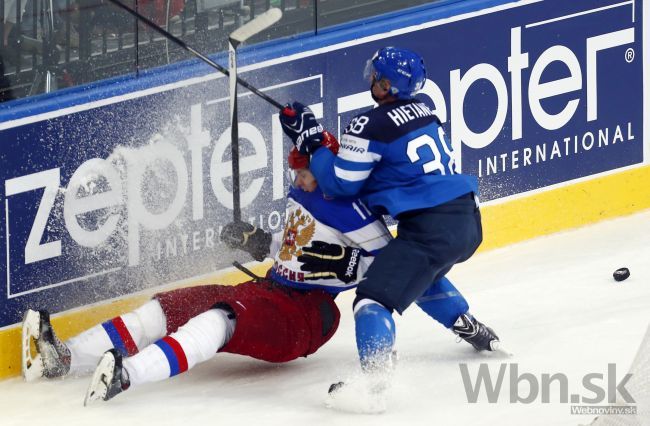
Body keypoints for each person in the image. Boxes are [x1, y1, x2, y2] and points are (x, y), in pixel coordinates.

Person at [279, 47, 499, 388]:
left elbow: (339, 185)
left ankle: (374, 383)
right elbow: (389, 172)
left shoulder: (368, 124)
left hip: (432, 226)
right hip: (467, 220)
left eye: (375, 76)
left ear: (385, 86)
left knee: (371, 299)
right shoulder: (424, 111)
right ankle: (469, 326)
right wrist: (315, 140)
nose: (370, 80)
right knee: (411, 273)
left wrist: (314, 144)